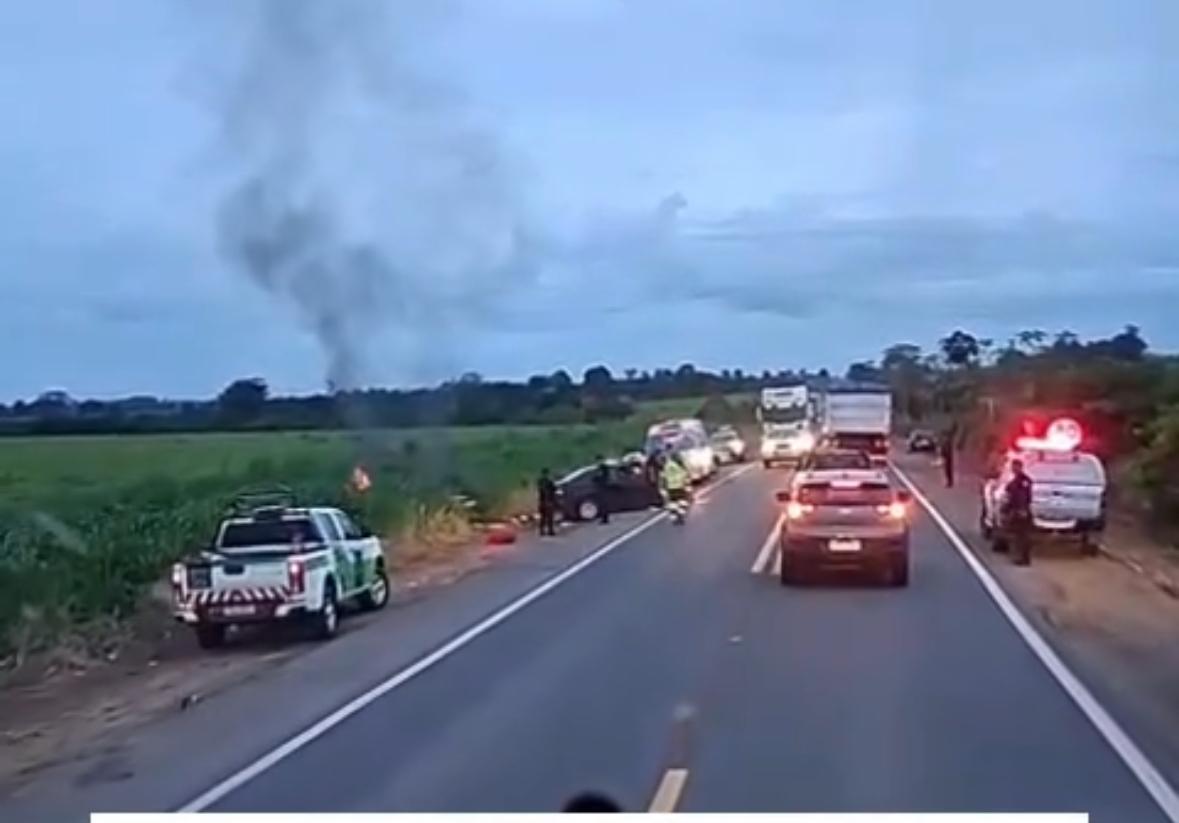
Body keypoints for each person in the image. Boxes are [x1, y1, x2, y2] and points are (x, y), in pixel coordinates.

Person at [1002, 458, 1034, 566]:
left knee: (1023, 536)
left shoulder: (1024, 481)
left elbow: (1025, 497)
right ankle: (1019, 557)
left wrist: (1023, 509)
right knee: (1017, 535)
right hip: (1015, 510)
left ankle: (1024, 558)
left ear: (1020, 467)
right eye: (1013, 467)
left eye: (1016, 467)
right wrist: (1006, 509)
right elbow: (1009, 495)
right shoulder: (1014, 482)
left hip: (1022, 510)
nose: (1014, 469)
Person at [660, 452, 691, 522]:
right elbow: (685, 475)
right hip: (679, 486)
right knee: (682, 502)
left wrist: (663, 487)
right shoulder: (679, 465)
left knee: (673, 502)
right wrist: (687, 484)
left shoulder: (666, 466)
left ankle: (674, 517)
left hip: (670, 487)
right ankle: (681, 515)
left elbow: (663, 477)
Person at [536, 467, 558, 537]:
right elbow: (555, 489)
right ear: (547, 473)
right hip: (549, 501)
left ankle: (542, 531)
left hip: (542, 501)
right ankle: (550, 531)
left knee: (543, 517)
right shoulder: (549, 481)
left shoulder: (539, 481)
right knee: (549, 518)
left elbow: (539, 490)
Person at [592, 455, 612, 524]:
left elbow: (603, 477)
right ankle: (604, 518)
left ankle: (605, 519)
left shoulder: (603, 468)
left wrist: (597, 478)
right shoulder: (599, 468)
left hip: (603, 487)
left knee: (604, 503)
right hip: (601, 487)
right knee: (602, 503)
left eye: (598, 461)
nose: (597, 462)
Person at [940, 424, 957, 488]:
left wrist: (943, 454)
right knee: (947, 470)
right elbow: (943, 449)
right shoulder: (946, 442)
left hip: (948, 457)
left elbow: (946, 450)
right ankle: (949, 481)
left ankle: (949, 482)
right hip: (947, 457)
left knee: (948, 470)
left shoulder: (947, 442)